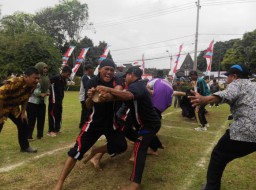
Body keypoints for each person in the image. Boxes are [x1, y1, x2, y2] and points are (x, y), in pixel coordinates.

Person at [54, 59, 127, 190]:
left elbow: (118, 90)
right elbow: (88, 105)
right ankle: (59, 183)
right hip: (94, 123)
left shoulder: (117, 80)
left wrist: (106, 93)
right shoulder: (92, 82)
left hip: (111, 122)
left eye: (111, 69)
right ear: (100, 69)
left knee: (121, 145)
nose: (109, 72)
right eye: (106, 69)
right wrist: (90, 97)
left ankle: (96, 152)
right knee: (76, 152)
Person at [92, 66, 162, 190]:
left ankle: (134, 185)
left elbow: (128, 95)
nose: (125, 79)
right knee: (139, 138)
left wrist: (108, 89)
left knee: (139, 148)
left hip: (149, 125)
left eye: (126, 76)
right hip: (146, 124)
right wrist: (106, 96)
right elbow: (122, 96)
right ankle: (155, 148)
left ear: (131, 75)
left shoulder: (136, 86)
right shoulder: (139, 85)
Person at [189, 64, 256, 190]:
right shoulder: (254, 85)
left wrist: (205, 99)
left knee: (218, 155)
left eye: (228, 77)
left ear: (234, 76)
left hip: (246, 130)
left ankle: (211, 187)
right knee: (225, 155)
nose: (226, 80)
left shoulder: (238, 83)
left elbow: (227, 93)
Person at [0, 67, 39, 153]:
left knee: (23, 122)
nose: (36, 80)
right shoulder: (14, 82)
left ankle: (25, 147)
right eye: (34, 78)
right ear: (26, 77)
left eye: (38, 78)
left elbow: (26, 98)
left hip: (13, 107)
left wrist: (23, 112)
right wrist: (1, 115)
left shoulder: (32, 85)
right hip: (2, 104)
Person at [27, 62, 50, 140]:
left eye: (46, 68)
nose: (45, 69)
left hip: (42, 102)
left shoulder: (45, 77)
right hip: (32, 102)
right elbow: (32, 89)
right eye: (44, 68)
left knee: (41, 119)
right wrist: (40, 94)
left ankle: (40, 135)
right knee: (31, 119)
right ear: (39, 68)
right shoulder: (33, 77)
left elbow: (47, 87)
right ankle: (29, 136)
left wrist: (47, 92)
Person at [48, 66, 72, 137]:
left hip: (60, 100)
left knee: (59, 114)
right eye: (68, 74)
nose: (69, 76)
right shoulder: (55, 78)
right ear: (64, 72)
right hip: (53, 100)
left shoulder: (64, 80)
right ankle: (51, 130)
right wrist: (48, 91)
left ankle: (57, 129)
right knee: (52, 114)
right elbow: (47, 83)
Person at [78, 64, 95, 129]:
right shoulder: (85, 77)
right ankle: (82, 124)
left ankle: (87, 123)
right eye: (91, 69)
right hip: (84, 98)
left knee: (89, 111)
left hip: (88, 97)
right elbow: (87, 87)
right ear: (87, 70)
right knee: (85, 111)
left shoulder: (90, 77)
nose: (93, 71)